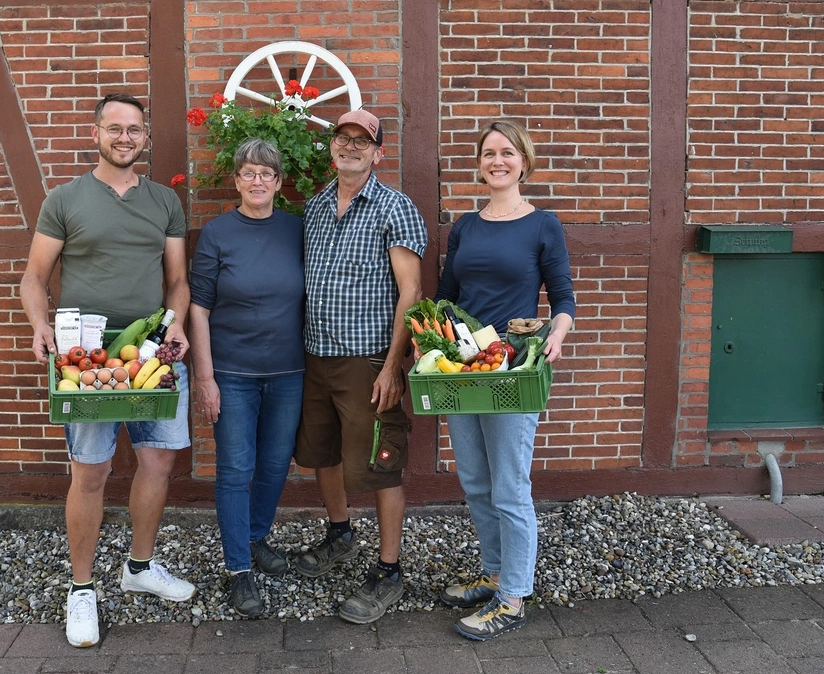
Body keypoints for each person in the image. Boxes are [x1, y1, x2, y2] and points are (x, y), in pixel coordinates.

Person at [19, 92, 195, 648]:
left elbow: (177, 280)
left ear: (146, 137)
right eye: (115, 128)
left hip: (149, 353)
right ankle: (82, 588)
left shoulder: (164, 201)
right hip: (86, 355)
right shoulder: (65, 199)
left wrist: (177, 323)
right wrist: (38, 324)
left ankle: (139, 568)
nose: (125, 138)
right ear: (96, 134)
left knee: (158, 462)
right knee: (90, 472)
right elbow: (33, 276)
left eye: (135, 129)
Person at [433, 120, 576, 641]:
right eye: (489, 153)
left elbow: (563, 297)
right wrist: (432, 344)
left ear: (524, 161)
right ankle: (494, 573)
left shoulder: (543, 225)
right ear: (480, 162)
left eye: (507, 153)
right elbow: (446, 297)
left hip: (513, 368)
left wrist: (557, 335)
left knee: (510, 487)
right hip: (464, 368)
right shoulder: (465, 227)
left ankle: (513, 597)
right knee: (475, 480)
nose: (498, 160)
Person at [294, 109, 427, 624]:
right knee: (322, 453)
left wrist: (393, 366)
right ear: (333, 147)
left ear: (378, 152)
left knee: (381, 461)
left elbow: (411, 294)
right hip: (315, 356)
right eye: (342, 138)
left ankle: (389, 570)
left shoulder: (395, 208)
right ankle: (339, 533)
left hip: (368, 359)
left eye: (361, 140)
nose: (350, 146)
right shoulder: (316, 206)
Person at [188, 138, 305, 618]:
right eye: (248, 173)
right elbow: (198, 308)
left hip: (289, 372)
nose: (257, 181)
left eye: (267, 173)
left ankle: (256, 539)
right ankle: (238, 570)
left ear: (279, 182)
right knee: (236, 471)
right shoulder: (217, 233)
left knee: (275, 466)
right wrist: (206, 376)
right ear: (236, 180)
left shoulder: (297, 230)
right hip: (232, 374)